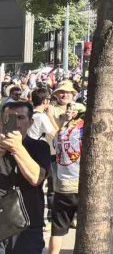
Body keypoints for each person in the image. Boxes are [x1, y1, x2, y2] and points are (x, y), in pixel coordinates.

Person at [0, 100, 49, 254]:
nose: (16, 124)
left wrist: (17, 148)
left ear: (30, 122)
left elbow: (36, 178)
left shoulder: (40, 147)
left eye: (20, 118)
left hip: (28, 225)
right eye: (9, 119)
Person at [47, 103, 86, 254]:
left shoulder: (60, 132)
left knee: (57, 229)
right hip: (81, 184)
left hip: (62, 186)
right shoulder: (83, 130)